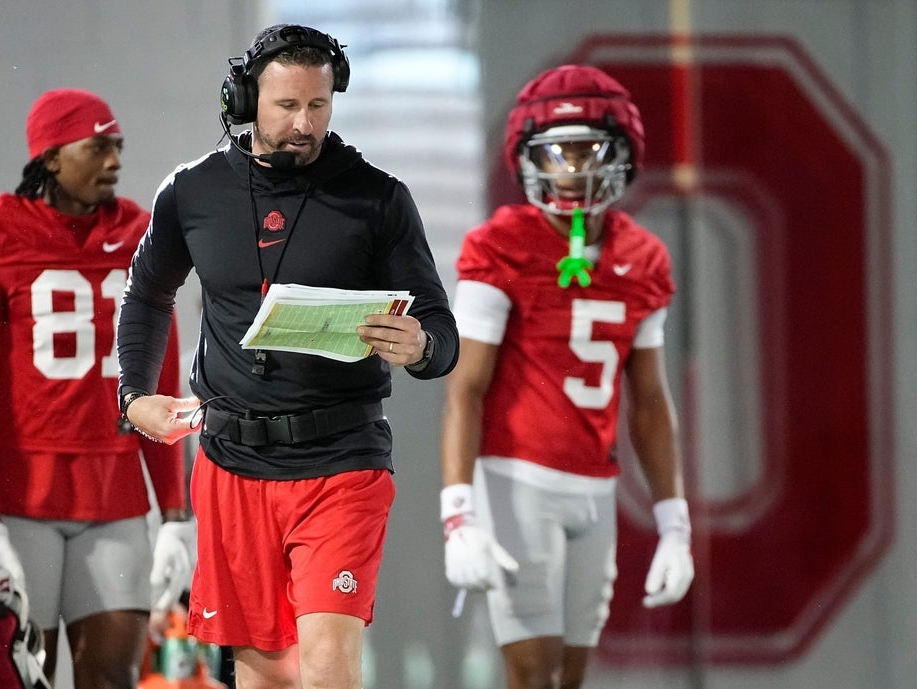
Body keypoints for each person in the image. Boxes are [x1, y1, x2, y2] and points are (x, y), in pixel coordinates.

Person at [115, 23, 458, 689]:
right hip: (231, 465)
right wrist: (134, 394)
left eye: (319, 106)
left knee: (327, 665)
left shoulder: (378, 197)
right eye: (287, 106)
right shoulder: (191, 190)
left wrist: (422, 346)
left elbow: (439, 327)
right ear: (245, 101)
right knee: (265, 674)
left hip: (342, 463)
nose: (304, 124)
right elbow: (148, 293)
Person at [439, 64, 695, 689]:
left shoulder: (644, 257)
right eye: (555, 153)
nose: (572, 169)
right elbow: (465, 389)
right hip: (516, 477)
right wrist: (459, 513)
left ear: (621, 154)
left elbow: (651, 402)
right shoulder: (501, 245)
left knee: (570, 677)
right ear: (528, 158)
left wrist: (675, 524)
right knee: (532, 671)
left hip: (597, 485)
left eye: (587, 151)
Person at [0, 88, 196, 689]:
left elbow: (161, 380)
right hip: (23, 498)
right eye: (98, 147)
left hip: (113, 497)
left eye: (119, 147)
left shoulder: (141, 232)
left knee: (111, 680)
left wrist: (178, 514)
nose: (114, 162)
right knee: (25, 678)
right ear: (51, 157)